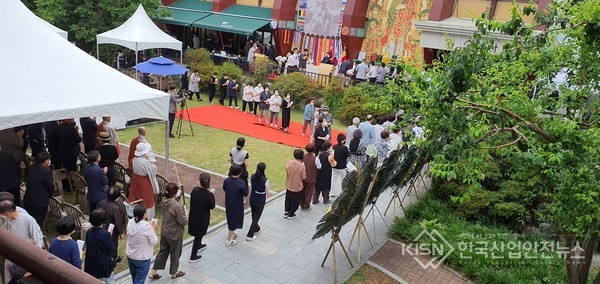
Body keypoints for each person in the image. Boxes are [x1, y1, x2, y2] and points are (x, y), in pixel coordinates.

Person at [149, 183, 188, 280]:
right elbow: (183, 221)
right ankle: (174, 272)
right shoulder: (176, 206)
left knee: (162, 252)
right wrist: (185, 213)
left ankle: (153, 272)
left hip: (165, 231)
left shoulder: (163, 201)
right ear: (175, 193)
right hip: (174, 234)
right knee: (175, 253)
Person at [126, 205, 158, 284]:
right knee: (140, 280)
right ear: (144, 215)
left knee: (134, 277)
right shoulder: (147, 227)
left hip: (130, 255)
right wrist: (153, 229)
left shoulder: (130, 222)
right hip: (142, 258)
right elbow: (154, 241)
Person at [188, 173, 215, 262]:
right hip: (202, 218)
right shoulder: (209, 195)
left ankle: (199, 245)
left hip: (193, 216)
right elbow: (212, 206)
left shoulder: (195, 190)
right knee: (198, 236)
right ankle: (193, 256)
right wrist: (212, 195)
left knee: (198, 235)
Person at [129, 143, 159, 221]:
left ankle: (136, 217)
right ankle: (147, 220)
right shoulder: (145, 163)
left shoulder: (133, 160)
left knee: (136, 201)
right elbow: (152, 174)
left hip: (136, 184)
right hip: (145, 185)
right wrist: (156, 190)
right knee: (147, 203)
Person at [85, 208, 116, 283]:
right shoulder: (105, 234)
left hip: (92, 260)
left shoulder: (89, 231)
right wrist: (109, 236)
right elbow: (111, 247)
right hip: (103, 261)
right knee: (110, 280)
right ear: (103, 221)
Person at [23, 151, 54, 227]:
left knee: (29, 220)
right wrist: (50, 195)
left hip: (28, 198)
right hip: (39, 201)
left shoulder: (32, 167)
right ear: (46, 161)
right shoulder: (46, 172)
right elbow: (50, 186)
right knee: (37, 223)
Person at [97, 186, 124, 263]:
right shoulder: (115, 207)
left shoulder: (101, 202)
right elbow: (118, 221)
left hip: (101, 227)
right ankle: (112, 259)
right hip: (111, 230)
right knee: (113, 245)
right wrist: (121, 232)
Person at [223, 164, 248, 246]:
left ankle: (232, 233)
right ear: (240, 173)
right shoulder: (241, 182)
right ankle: (228, 239)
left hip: (228, 202)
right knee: (234, 220)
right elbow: (246, 193)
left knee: (230, 218)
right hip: (237, 204)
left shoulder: (226, 181)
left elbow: (224, 188)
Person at [246, 163, 268, 241]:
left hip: (252, 197)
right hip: (260, 200)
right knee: (256, 217)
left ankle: (256, 228)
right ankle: (250, 235)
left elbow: (251, 187)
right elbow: (266, 191)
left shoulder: (252, 176)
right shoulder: (265, 180)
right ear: (264, 169)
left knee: (254, 213)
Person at [284, 149, 306, 219]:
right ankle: (291, 214)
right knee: (295, 201)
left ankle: (286, 211)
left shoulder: (290, 162)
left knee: (288, 199)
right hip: (297, 187)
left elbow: (287, 171)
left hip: (289, 184)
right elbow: (303, 177)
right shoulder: (302, 166)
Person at [301, 143, 317, 210]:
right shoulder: (315, 158)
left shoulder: (303, 156)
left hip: (303, 177)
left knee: (302, 191)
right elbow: (319, 166)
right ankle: (306, 205)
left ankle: (301, 203)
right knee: (309, 192)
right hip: (311, 177)